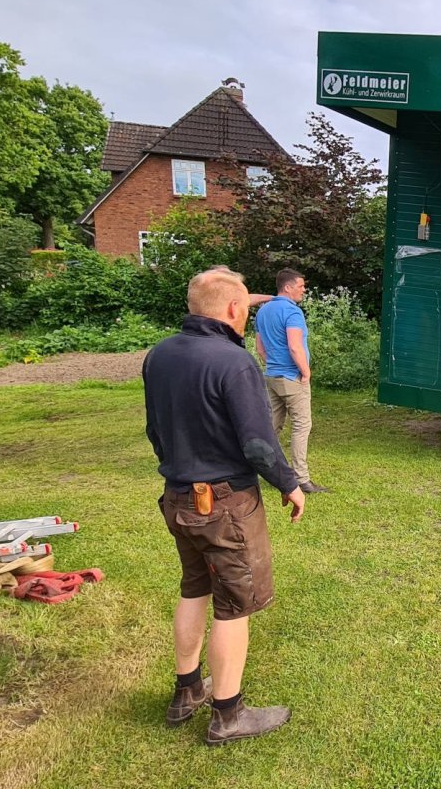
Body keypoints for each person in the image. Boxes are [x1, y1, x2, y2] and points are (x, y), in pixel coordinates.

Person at [143, 267, 305, 745]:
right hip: (224, 505)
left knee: (194, 588)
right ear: (234, 308)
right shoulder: (233, 362)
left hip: (178, 497)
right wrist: (289, 483)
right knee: (234, 605)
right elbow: (257, 443)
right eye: (246, 307)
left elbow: (155, 430)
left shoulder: (159, 355)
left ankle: (187, 691)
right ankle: (228, 715)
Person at [254, 269, 329, 494]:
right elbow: (295, 347)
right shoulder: (292, 312)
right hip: (292, 377)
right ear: (287, 287)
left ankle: (256, 470)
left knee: (270, 427)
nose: (304, 290)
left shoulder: (263, 311)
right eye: (301, 286)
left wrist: (273, 364)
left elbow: (260, 348)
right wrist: (305, 373)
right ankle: (301, 479)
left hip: (272, 376)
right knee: (301, 425)